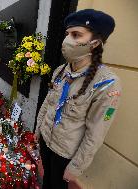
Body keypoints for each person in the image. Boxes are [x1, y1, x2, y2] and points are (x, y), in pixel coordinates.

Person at [35, 9, 121, 189]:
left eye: (76, 35)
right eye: (68, 34)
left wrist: (76, 166)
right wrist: (38, 131)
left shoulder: (106, 83)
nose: (67, 40)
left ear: (95, 42)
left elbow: (96, 132)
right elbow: (47, 104)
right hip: (46, 141)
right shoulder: (60, 71)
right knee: (46, 183)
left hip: (66, 154)